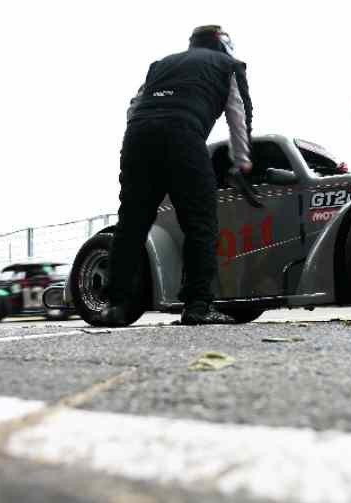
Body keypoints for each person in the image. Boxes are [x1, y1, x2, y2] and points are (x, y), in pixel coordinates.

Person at [101, 25, 253, 326]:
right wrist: (242, 161)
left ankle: (115, 306)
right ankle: (197, 306)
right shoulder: (229, 66)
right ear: (224, 46)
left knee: (131, 223)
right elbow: (238, 114)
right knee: (200, 224)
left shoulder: (161, 65)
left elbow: (134, 107)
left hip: (138, 138)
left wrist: (148, 134)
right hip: (183, 136)